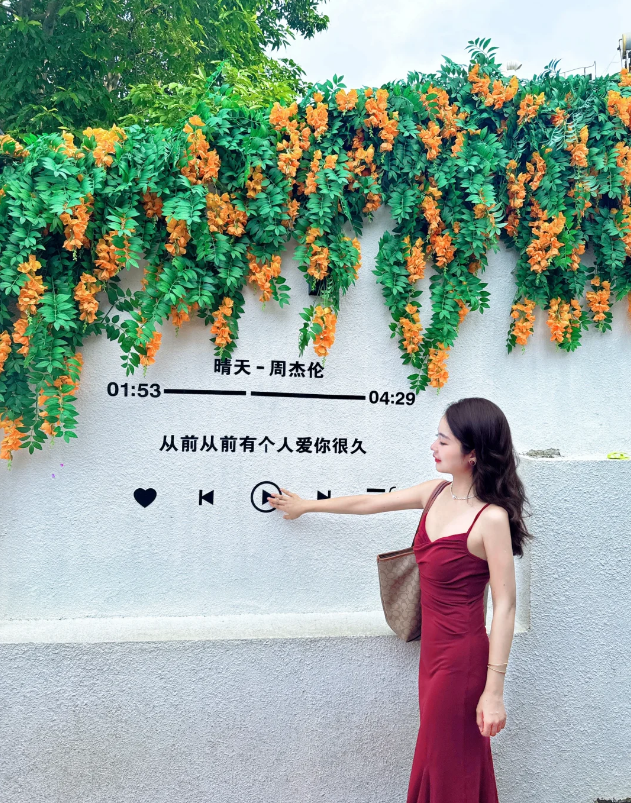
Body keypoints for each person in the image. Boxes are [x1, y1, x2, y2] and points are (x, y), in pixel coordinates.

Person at [268, 396, 532, 802]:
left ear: (473, 453)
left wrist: (494, 691)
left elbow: (506, 607)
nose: (433, 446)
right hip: (432, 655)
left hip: (462, 661)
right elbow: (369, 503)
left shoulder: (490, 518)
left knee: (446, 761)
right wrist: (307, 506)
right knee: (446, 757)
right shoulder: (435, 493)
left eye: (444, 440)